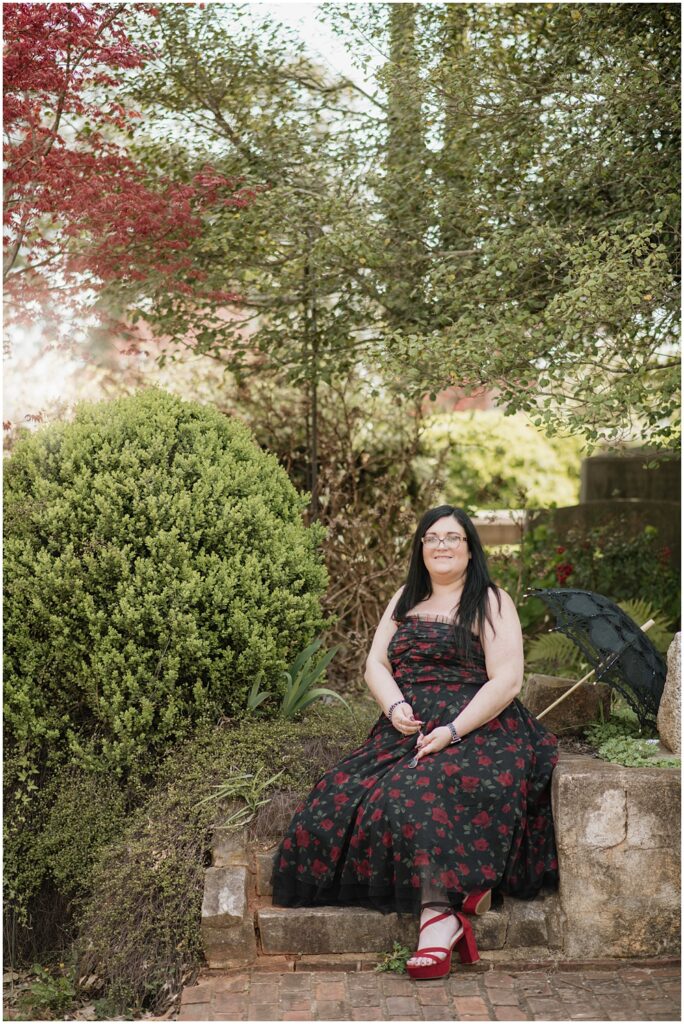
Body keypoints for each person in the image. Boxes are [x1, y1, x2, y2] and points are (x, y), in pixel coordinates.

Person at [270, 504, 559, 979]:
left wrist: (452, 731)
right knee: (336, 795)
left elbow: (505, 681)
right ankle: (467, 887)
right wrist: (395, 706)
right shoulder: (406, 597)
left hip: (480, 728)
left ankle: (438, 917)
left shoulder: (490, 600)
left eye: (452, 538)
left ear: (470, 549)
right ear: (420, 549)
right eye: (432, 538)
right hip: (407, 728)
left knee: (417, 792)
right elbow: (376, 666)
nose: (441, 545)